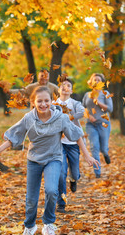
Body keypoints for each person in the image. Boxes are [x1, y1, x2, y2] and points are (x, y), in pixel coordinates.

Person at [0, 86, 100, 235]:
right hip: (34, 160)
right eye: (40, 101)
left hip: (53, 158)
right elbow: (16, 135)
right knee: (31, 199)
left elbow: (76, 134)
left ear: (52, 101)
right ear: (33, 102)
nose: (43, 104)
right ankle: (30, 225)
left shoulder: (61, 118)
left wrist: (86, 155)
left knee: (52, 191)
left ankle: (48, 223)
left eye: (47, 100)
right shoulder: (28, 118)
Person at [53, 78, 85, 213]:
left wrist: (68, 117)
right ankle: (61, 203)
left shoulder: (75, 103)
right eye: (63, 85)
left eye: (68, 86)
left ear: (71, 90)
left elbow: (81, 113)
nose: (65, 87)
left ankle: (74, 179)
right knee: (61, 174)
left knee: (75, 172)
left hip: (73, 143)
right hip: (59, 143)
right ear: (59, 90)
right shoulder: (54, 104)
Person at [82, 73, 113, 178]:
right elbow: (83, 108)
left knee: (103, 148)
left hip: (104, 124)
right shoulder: (87, 95)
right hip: (91, 124)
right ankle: (97, 172)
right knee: (94, 147)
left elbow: (110, 108)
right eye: (94, 79)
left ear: (102, 82)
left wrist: (98, 102)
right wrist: (89, 115)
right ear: (91, 82)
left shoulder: (105, 93)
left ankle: (105, 153)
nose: (96, 81)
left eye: (98, 80)